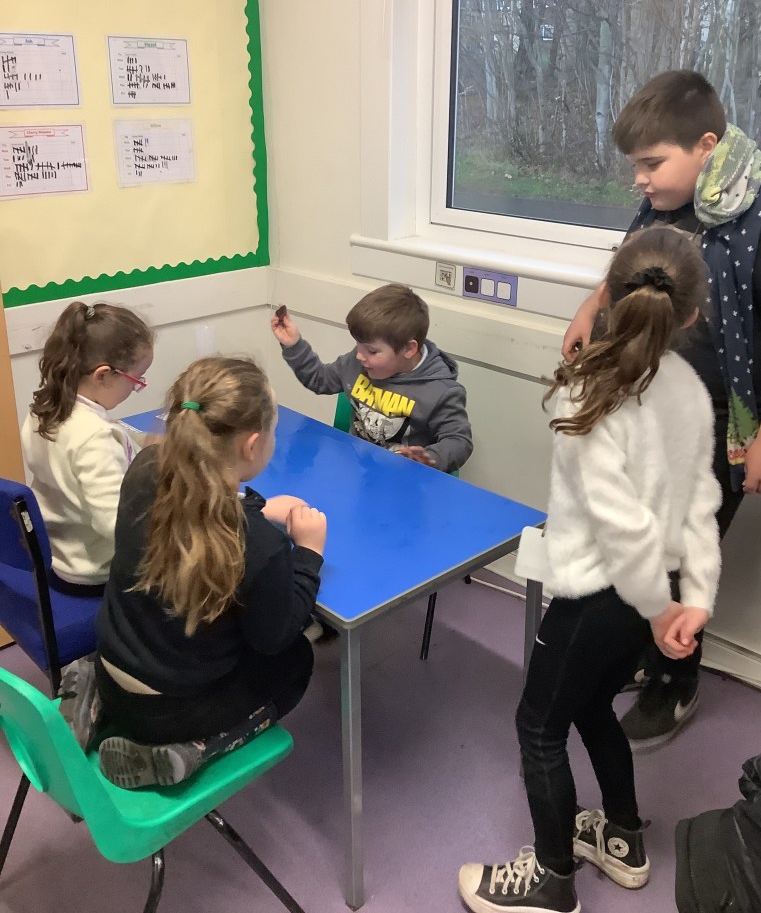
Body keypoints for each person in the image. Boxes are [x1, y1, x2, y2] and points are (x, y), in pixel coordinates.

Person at [458, 226, 722, 913]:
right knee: (593, 705)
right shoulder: (693, 390)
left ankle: (551, 880)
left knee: (538, 726)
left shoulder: (592, 393)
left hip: (602, 596)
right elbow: (702, 500)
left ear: (608, 293)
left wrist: (662, 611)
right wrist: (691, 598)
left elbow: (622, 526)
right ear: (691, 314)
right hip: (654, 591)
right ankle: (624, 840)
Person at [562, 70, 761, 750]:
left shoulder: (757, 214)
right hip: (647, 401)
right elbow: (628, 266)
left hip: (717, 420)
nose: (641, 180)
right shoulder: (663, 203)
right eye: (635, 166)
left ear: (707, 146)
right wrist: (591, 307)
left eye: (652, 163)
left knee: (682, 551)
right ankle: (645, 649)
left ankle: (675, 680)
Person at [91, 357, 326, 789]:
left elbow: (197, 507)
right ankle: (197, 748)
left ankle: (93, 700)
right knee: (296, 659)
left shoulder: (144, 469)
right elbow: (274, 637)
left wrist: (250, 507)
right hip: (172, 712)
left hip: (110, 670)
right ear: (252, 445)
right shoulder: (261, 545)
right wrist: (309, 554)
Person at [21, 301, 154, 592]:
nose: (136, 388)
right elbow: (116, 525)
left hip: (59, 555)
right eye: (136, 379)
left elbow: (101, 434)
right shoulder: (95, 437)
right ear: (103, 375)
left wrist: (146, 442)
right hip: (97, 574)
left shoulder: (44, 409)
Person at [270, 283, 472, 473]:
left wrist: (431, 458)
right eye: (358, 346)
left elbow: (459, 441)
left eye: (372, 351)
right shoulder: (358, 362)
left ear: (409, 349)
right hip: (358, 472)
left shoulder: (441, 391)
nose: (359, 356)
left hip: (404, 480)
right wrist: (293, 344)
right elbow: (319, 379)